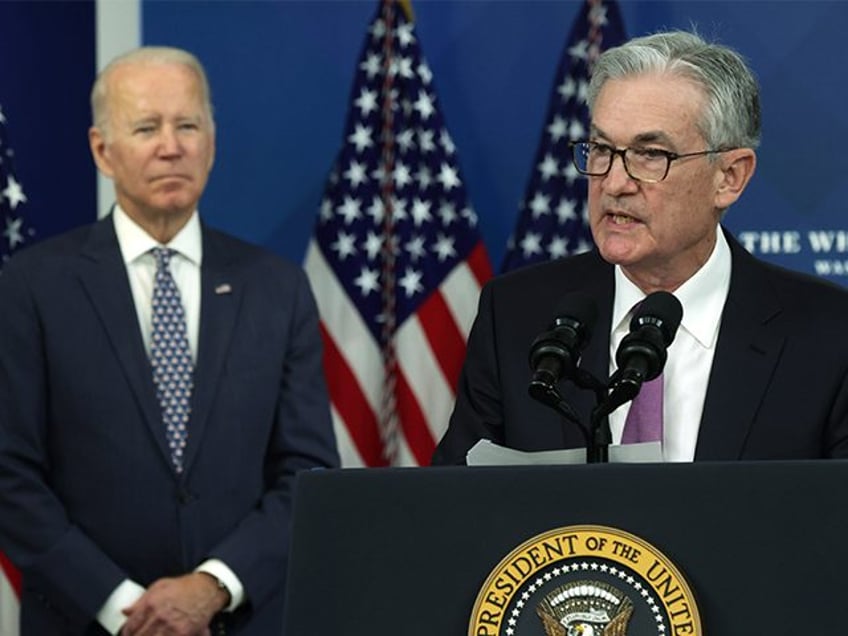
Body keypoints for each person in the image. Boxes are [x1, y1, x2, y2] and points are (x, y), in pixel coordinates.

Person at [0, 46, 339, 635]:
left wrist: (213, 587)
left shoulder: (277, 288)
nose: (171, 146)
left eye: (187, 124)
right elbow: (9, 472)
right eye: (146, 127)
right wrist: (123, 606)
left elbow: (307, 471)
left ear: (212, 140)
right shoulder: (32, 286)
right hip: (84, 621)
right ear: (102, 150)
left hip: (238, 619)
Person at [432, 30, 848, 465]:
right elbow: (455, 509)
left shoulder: (829, 339)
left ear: (730, 177)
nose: (613, 183)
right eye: (601, 149)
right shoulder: (517, 316)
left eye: (650, 154)